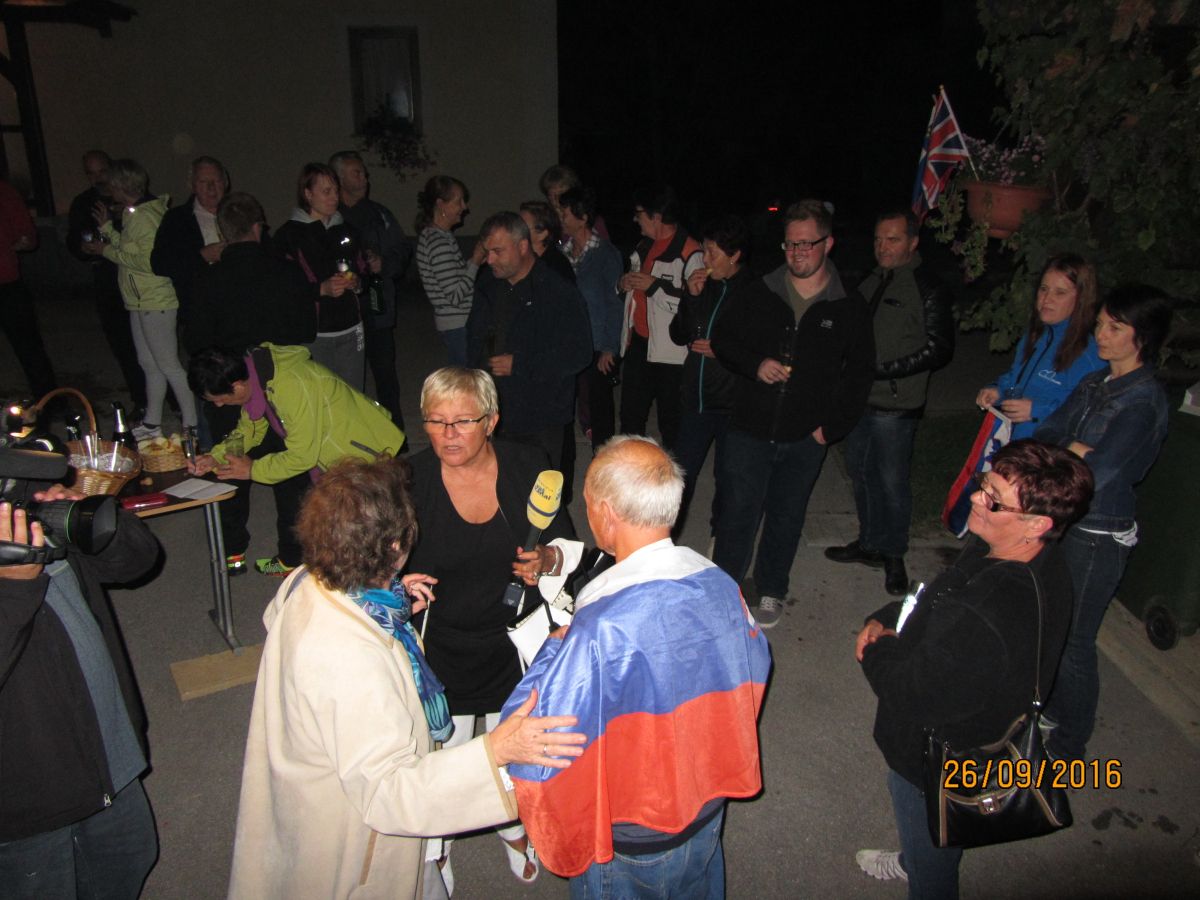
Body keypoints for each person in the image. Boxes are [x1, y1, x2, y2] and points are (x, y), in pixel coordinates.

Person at [227, 456, 585, 900]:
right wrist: (494, 751)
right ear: (397, 546)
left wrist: (391, 599)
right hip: (358, 853)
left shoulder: (311, 581)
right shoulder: (351, 661)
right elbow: (390, 794)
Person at [500, 435, 773, 896]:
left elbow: (537, 737)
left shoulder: (599, 626)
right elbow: (750, 678)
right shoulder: (722, 585)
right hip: (706, 807)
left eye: (588, 504)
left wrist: (552, 649)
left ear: (607, 513)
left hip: (632, 836)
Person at [855, 439, 1093, 897]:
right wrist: (887, 617)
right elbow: (936, 596)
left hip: (940, 755)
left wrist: (876, 647)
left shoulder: (989, 610)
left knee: (930, 835)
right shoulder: (1027, 555)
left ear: (1037, 524)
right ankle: (917, 854)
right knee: (931, 835)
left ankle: (923, 868)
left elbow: (911, 691)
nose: (977, 498)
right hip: (975, 717)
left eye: (994, 500)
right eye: (984, 484)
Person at [405, 367, 579, 886]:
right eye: (435, 421)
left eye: (462, 421)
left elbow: (565, 543)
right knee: (448, 755)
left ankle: (510, 825)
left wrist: (547, 560)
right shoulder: (407, 480)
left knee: (516, 747)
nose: (447, 434)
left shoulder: (528, 464)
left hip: (515, 642)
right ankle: (438, 842)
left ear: (491, 420)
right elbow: (375, 564)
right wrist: (398, 586)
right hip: (442, 646)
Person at [0, 458, 162, 898]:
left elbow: (137, 562)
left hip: (107, 755)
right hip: (25, 801)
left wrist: (94, 522)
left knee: (130, 860)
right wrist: (13, 587)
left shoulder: (23, 499)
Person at [711, 199, 874, 627]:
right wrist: (754, 364)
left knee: (786, 517)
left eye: (806, 244)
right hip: (749, 427)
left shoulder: (847, 305)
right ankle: (724, 591)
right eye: (790, 244)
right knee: (738, 514)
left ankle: (771, 588)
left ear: (828, 243)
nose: (797, 253)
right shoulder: (760, 291)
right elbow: (723, 339)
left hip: (805, 437)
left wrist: (829, 429)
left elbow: (858, 375)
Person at [1036, 285, 1174, 763]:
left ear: (1142, 337)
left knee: (1075, 638)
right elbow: (1049, 430)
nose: (1101, 334)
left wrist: (1073, 451)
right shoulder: (1096, 382)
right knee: (1053, 621)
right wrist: (1073, 448)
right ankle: (1054, 710)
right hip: (1065, 517)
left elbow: (1102, 470)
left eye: (1115, 327)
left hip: (1098, 532)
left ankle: (1069, 744)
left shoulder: (1142, 401)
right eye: (1100, 324)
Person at [186, 343, 405, 576]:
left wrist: (253, 470)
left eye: (218, 398)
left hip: (368, 455)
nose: (218, 405)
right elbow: (250, 429)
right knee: (337, 527)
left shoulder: (291, 385)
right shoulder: (258, 380)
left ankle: (374, 583)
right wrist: (215, 456)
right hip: (334, 455)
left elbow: (302, 456)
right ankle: (307, 566)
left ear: (237, 386)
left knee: (368, 532)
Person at [187, 191, 318, 576]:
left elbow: (194, 341)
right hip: (280, 386)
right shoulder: (286, 271)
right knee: (290, 474)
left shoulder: (207, 279)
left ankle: (233, 554)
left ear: (223, 233)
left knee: (230, 465)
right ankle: (291, 557)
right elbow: (306, 330)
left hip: (228, 386)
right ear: (259, 228)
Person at [825, 210, 955, 596]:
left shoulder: (926, 285)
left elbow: (940, 348)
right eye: (879, 239)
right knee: (860, 472)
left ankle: (893, 553)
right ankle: (870, 542)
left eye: (893, 239)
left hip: (896, 404)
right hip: (860, 400)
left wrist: (883, 371)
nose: (883, 247)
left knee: (891, 481)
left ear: (913, 242)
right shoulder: (872, 280)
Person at [465, 212, 592, 473]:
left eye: (498, 251)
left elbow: (579, 353)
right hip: (494, 413)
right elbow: (474, 338)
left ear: (522, 246)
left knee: (539, 492)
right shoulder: (488, 285)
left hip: (540, 419)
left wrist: (520, 364)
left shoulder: (557, 291)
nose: (489, 260)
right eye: (487, 252)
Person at [84, 158, 197, 439]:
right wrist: (108, 230)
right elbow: (130, 248)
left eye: (111, 184)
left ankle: (192, 424)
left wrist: (105, 250)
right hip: (140, 300)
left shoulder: (146, 216)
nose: (108, 189)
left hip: (156, 300)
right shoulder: (135, 212)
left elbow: (148, 262)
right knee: (149, 364)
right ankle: (152, 421)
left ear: (121, 186)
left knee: (169, 365)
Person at [668, 214, 753, 538]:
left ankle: (721, 538)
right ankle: (665, 538)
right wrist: (690, 297)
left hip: (733, 403)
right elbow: (679, 335)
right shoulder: (704, 286)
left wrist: (723, 350)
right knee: (679, 475)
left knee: (729, 477)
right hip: (697, 399)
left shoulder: (753, 292)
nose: (705, 259)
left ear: (734, 255)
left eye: (712, 252)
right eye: (704, 251)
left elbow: (760, 346)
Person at [974, 254, 1104, 441]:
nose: (1047, 299)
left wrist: (1038, 410)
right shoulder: (1036, 336)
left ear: (1081, 299)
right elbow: (1017, 378)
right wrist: (998, 390)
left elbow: (1090, 413)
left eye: (1060, 293)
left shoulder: (1089, 354)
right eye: (1044, 289)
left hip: (1048, 449)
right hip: (1013, 441)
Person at [617, 185, 704, 450]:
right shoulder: (644, 246)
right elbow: (631, 293)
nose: (636, 220)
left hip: (671, 354)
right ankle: (629, 472)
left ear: (656, 217)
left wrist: (654, 286)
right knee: (630, 420)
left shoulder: (690, 252)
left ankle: (672, 474)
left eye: (639, 214)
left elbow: (694, 306)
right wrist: (622, 284)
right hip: (639, 344)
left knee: (672, 424)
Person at [273, 162, 373, 389]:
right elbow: (282, 289)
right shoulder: (288, 236)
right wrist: (321, 289)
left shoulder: (347, 230)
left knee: (352, 395)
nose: (334, 197)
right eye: (326, 191)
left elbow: (365, 272)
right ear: (308, 194)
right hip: (314, 335)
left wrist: (357, 282)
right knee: (321, 397)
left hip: (351, 329)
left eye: (336, 190)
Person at [331, 149, 412, 427]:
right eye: (357, 173)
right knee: (346, 379)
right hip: (344, 311)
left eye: (364, 172)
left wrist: (384, 263)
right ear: (340, 179)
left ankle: (395, 433)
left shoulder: (379, 214)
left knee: (385, 373)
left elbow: (402, 249)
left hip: (377, 307)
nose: (365, 178)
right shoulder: (331, 218)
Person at [66, 149, 145, 415]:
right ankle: (140, 399)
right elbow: (74, 239)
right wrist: (83, 248)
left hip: (137, 280)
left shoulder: (131, 198)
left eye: (102, 171)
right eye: (92, 173)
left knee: (150, 346)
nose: (98, 178)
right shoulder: (83, 203)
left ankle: (170, 401)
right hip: (106, 280)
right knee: (122, 344)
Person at [559, 185, 623, 452]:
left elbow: (615, 303)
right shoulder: (562, 253)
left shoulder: (606, 255)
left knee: (600, 404)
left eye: (565, 213)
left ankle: (603, 456)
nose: (561, 218)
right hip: (569, 341)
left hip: (597, 342)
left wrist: (610, 347)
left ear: (583, 217)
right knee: (566, 400)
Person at [150, 155, 230, 320]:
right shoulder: (178, 219)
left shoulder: (240, 212)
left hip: (237, 307)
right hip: (199, 310)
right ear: (192, 185)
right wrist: (201, 257)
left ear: (225, 183)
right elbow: (159, 263)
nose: (211, 187)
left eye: (216, 181)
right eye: (203, 182)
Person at [416, 175, 484, 365]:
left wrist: (476, 261)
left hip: (456, 324)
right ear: (441, 204)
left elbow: (455, 277)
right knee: (466, 378)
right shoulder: (438, 242)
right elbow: (455, 295)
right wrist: (475, 261)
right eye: (458, 201)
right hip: (458, 325)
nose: (464, 207)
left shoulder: (442, 236)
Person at [0, 174, 56, 402]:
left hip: (6, 284)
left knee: (29, 348)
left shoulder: (5, 193)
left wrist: (22, 241)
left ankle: (48, 403)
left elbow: (27, 234)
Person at [519, 199, 575, 284]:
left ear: (542, 234)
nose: (515, 230)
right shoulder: (520, 259)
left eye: (522, 226)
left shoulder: (555, 268)